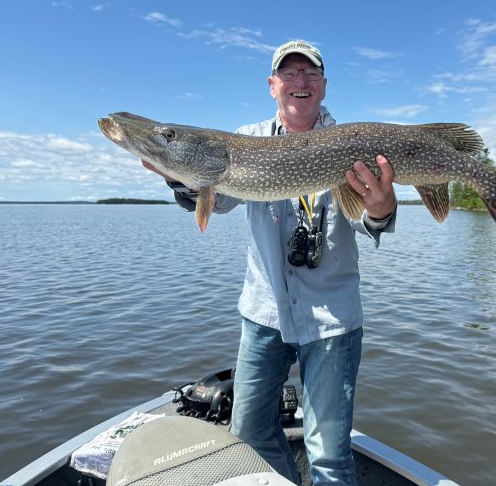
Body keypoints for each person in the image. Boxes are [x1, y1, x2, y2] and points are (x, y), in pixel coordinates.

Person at [145, 40, 397, 485]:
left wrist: (381, 207)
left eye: (310, 73)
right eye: (289, 73)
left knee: (330, 457)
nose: (300, 82)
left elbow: (369, 224)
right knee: (249, 432)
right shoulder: (247, 140)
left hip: (331, 318)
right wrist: (180, 177)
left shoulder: (352, 145)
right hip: (264, 313)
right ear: (272, 85)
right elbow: (216, 201)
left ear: (323, 85)